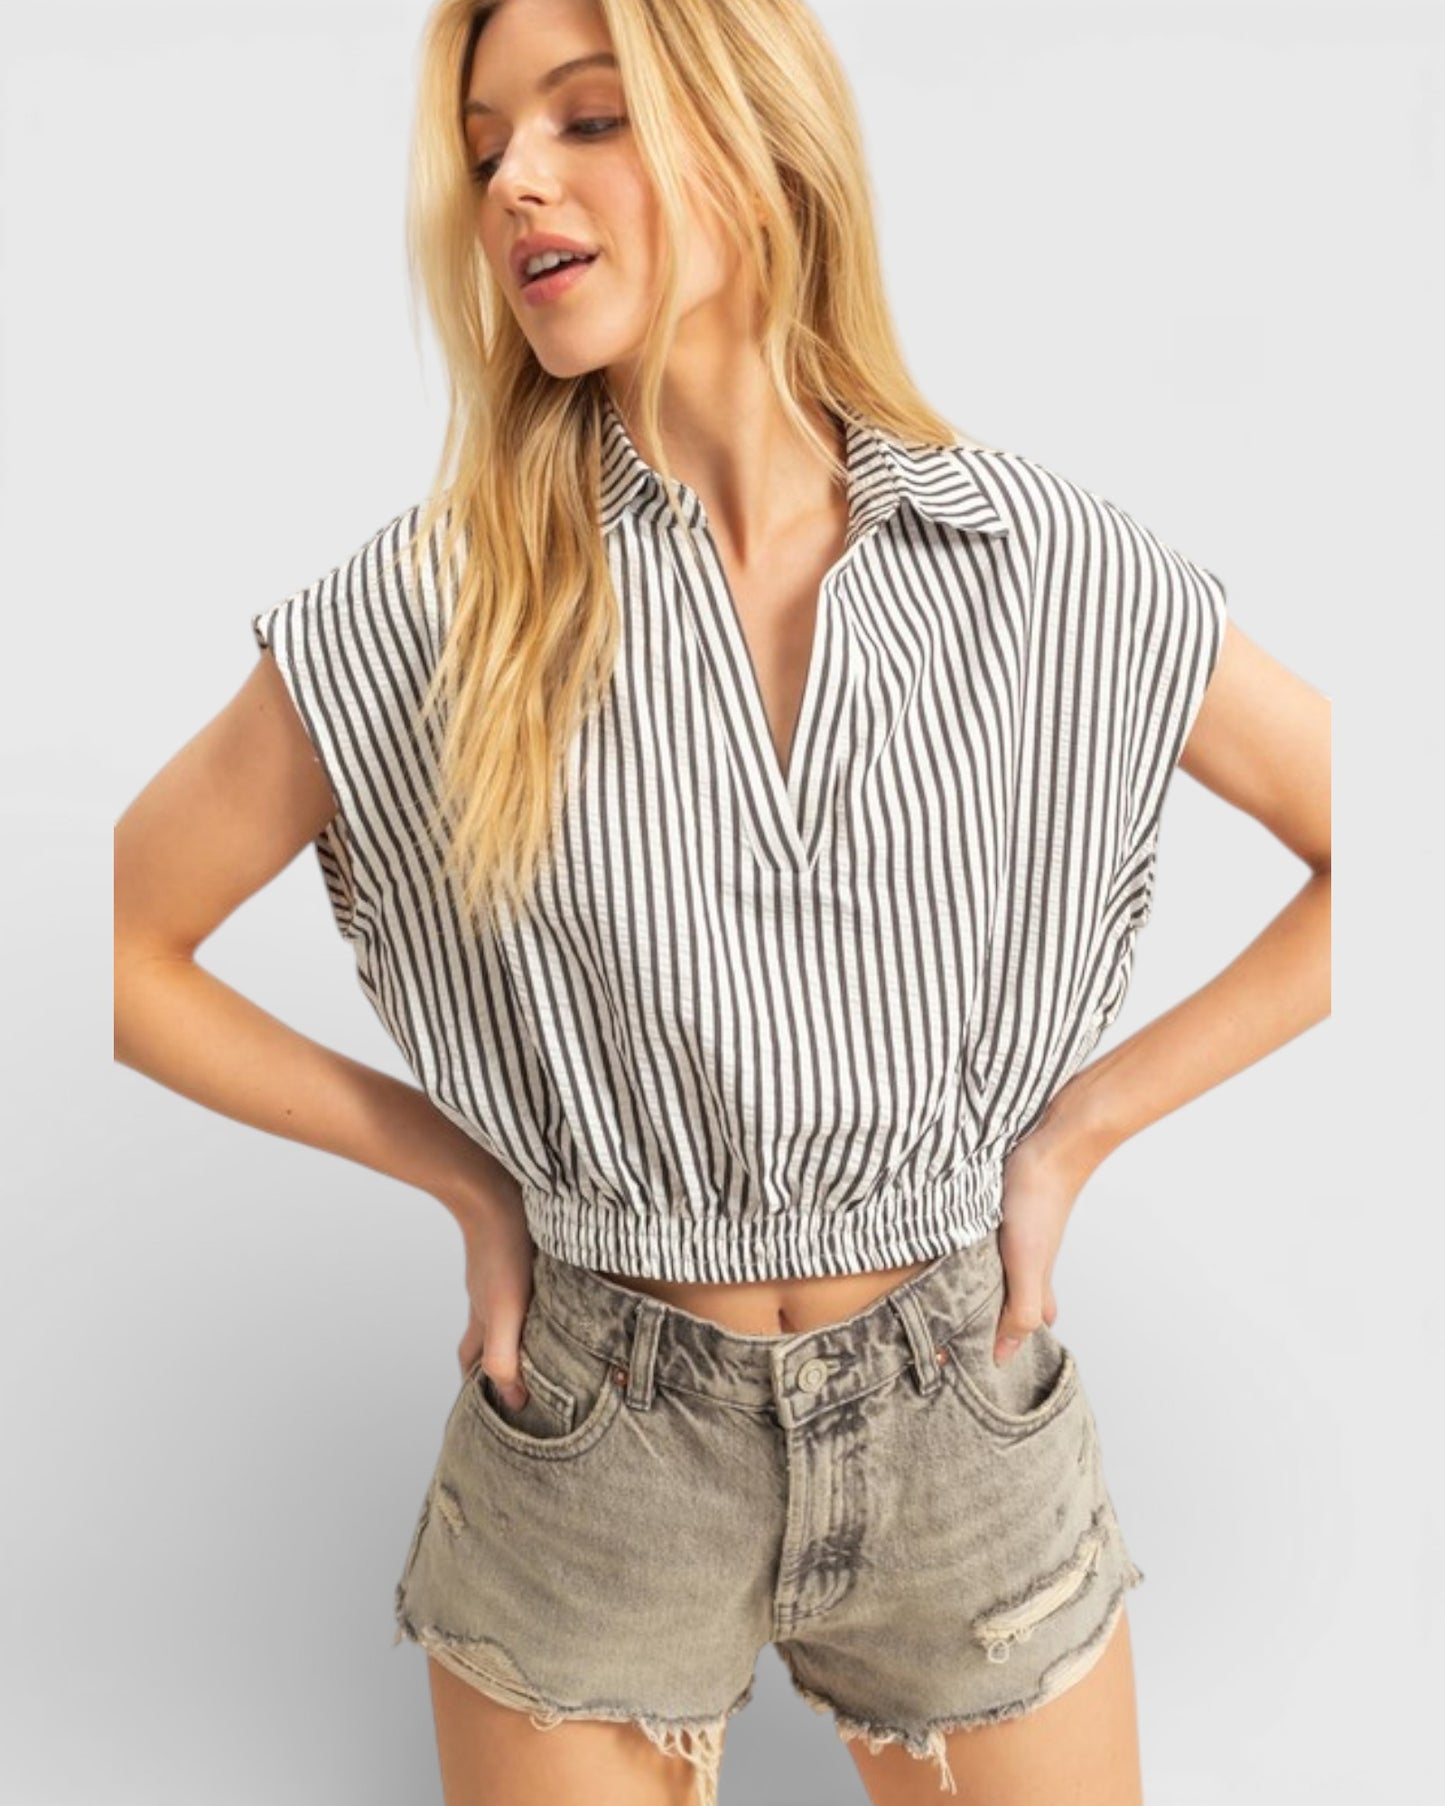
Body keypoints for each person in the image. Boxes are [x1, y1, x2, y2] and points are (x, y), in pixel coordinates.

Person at [112, 0, 1332, 1801]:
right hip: (596, 1436)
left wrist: (1072, 1136)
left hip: (952, 1407)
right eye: (482, 147)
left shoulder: (1032, 562)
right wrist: (464, 1171)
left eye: (585, 117)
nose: (512, 178)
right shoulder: (444, 600)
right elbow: (116, 945)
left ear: (756, 135)